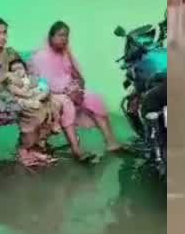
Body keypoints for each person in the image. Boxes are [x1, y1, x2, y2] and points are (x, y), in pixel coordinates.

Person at [30, 21, 127, 162]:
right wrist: (68, 92)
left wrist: (79, 91)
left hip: (72, 89)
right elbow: (42, 84)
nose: (64, 39)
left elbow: (78, 76)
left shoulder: (66, 53)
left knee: (94, 98)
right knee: (65, 104)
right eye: (60, 35)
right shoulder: (40, 57)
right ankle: (76, 149)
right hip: (51, 94)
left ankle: (111, 142)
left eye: (66, 36)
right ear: (51, 37)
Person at [0, 18, 56, 168]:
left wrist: (30, 84)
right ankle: (23, 149)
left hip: (18, 90)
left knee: (50, 104)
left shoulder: (10, 52)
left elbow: (24, 72)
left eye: (4, 32)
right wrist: (6, 76)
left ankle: (34, 147)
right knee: (34, 111)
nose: (2, 36)